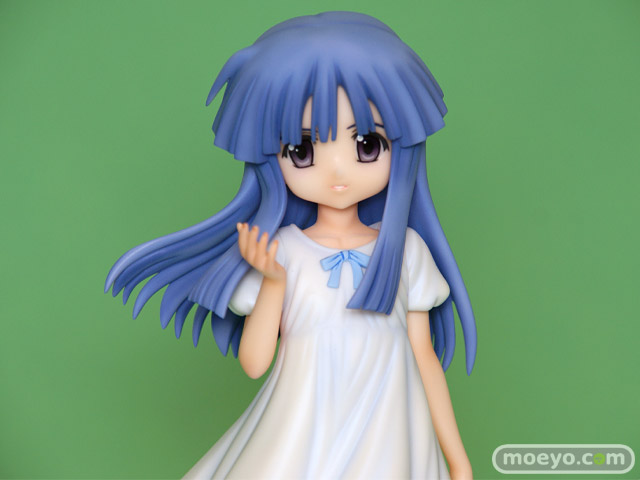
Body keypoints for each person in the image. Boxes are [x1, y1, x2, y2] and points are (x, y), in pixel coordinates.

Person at [106, 11, 477, 480]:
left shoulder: (405, 250)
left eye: (366, 144)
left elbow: (423, 357)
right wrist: (273, 281)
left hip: (387, 432)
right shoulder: (282, 250)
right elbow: (255, 363)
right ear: (273, 157)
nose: (337, 172)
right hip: (303, 433)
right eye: (303, 151)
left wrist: (457, 459)